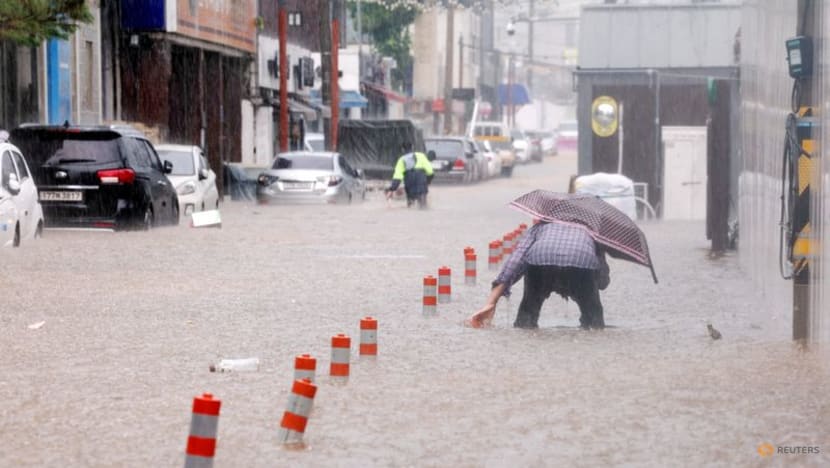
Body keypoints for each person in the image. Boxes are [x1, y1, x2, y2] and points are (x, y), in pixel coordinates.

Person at [468, 220, 610, 330]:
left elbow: (516, 261)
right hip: (580, 264)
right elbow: (602, 280)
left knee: (526, 321)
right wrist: (594, 287)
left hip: (540, 263)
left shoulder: (540, 227)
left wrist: (492, 302)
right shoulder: (592, 232)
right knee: (594, 322)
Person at [384, 142, 434, 208]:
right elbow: (430, 171)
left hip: (410, 182)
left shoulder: (401, 160)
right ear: (412, 147)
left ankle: (411, 204)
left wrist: (392, 189)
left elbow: (397, 177)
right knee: (423, 205)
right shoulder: (421, 156)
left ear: (402, 150)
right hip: (421, 181)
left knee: (411, 205)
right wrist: (428, 182)